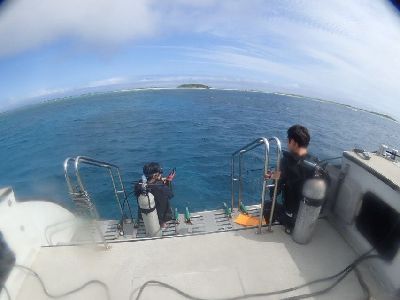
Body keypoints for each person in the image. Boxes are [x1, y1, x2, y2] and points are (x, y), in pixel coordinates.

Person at [264, 125, 317, 233]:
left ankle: (280, 226)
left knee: (267, 205)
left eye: (288, 140)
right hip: (308, 215)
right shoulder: (314, 162)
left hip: (292, 216)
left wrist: (271, 177)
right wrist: (274, 175)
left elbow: (274, 190)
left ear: (293, 142)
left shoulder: (286, 162)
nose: (287, 143)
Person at [134, 162, 174, 228]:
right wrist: (168, 181)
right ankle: (162, 224)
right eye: (160, 173)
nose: (161, 174)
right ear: (155, 175)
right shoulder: (161, 188)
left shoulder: (139, 184)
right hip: (158, 216)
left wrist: (160, 180)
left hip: (143, 215)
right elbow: (170, 195)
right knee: (165, 203)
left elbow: (150, 184)